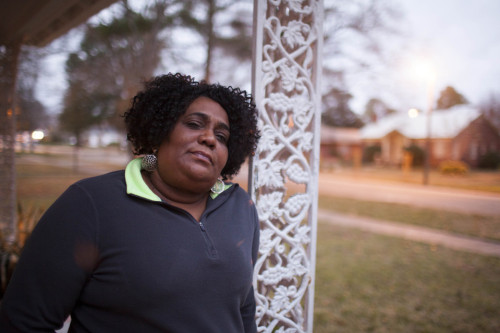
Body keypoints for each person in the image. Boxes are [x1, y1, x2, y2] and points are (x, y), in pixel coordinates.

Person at [0, 73, 261, 332]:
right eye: (194, 124)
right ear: (159, 131)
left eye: (222, 136)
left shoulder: (239, 207)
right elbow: (24, 322)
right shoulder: (90, 205)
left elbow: (243, 308)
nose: (209, 138)